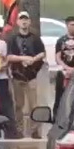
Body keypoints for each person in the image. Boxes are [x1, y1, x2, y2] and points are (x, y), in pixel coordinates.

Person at [6, 11, 46, 139]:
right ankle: (19, 129)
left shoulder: (35, 38)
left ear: (29, 22)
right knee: (19, 105)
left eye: (26, 19)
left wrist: (33, 60)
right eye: (21, 19)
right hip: (17, 76)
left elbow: (42, 53)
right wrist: (22, 59)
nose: (24, 22)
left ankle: (35, 130)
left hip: (32, 76)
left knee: (34, 105)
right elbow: (9, 56)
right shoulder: (12, 39)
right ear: (17, 22)